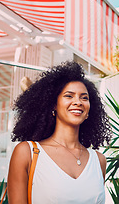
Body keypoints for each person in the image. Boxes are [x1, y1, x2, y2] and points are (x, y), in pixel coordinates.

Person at [7, 61, 111, 204]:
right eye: (69, 96)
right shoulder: (27, 153)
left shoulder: (99, 161)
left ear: (89, 111)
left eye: (84, 97)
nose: (78, 102)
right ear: (54, 105)